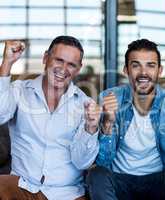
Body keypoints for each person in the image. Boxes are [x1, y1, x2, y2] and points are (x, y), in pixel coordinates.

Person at [72, 38, 165, 200]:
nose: (143, 73)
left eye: (150, 65)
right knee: (97, 174)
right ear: (126, 70)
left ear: (159, 70)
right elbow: (102, 161)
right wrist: (107, 123)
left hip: (159, 181)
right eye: (136, 65)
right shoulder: (109, 97)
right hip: (120, 181)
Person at [0, 36, 101, 200]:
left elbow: (82, 163)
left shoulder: (85, 105)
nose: (63, 69)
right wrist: (7, 63)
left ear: (78, 69)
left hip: (67, 193)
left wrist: (90, 129)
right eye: (59, 60)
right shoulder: (20, 90)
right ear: (45, 58)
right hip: (22, 187)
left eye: (71, 65)